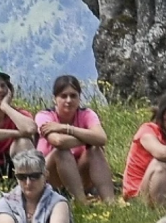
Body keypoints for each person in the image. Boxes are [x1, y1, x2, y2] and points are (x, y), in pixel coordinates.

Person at [35, 75, 114, 205]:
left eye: (73, 96)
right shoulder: (44, 116)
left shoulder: (87, 114)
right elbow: (58, 141)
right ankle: (81, 203)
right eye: (63, 96)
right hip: (49, 177)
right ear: (55, 99)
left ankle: (110, 202)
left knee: (95, 150)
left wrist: (65, 128)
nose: (68, 100)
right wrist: (89, 138)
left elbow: (102, 138)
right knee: (62, 152)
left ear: (79, 98)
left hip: (79, 174)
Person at [122, 92, 166, 205]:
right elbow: (160, 153)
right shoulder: (148, 130)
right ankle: (157, 211)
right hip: (136, 196)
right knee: (160, 163)